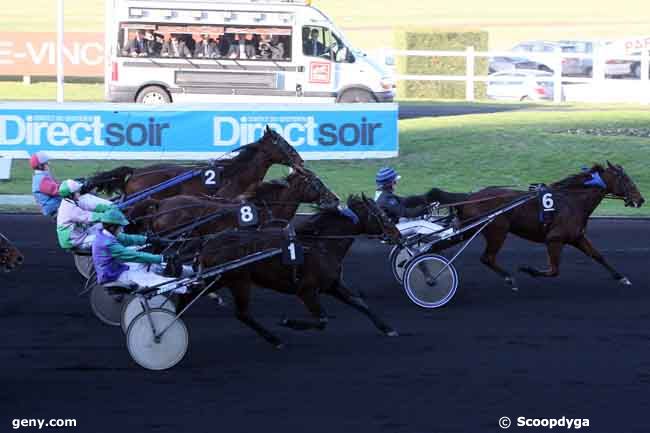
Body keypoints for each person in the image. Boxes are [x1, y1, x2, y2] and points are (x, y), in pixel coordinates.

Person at [91, 208, 184, 291]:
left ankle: (184, 272)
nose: (122, 229)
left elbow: (127, 238)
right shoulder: (107, 243)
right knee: (152, 279)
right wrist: (161, 258)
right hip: (113, 276)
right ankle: (184, 287)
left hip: (117, 268)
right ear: (112, 227)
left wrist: (147, 239)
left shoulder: (105, 234)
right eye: (121, 226)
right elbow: (133, 256)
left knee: (149, 265)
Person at [56, 179, 114, 250]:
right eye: (77, 192)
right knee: (108, 238)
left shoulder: (67, 202)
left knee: (101, 226)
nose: (79, 194)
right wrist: (107, 215)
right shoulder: (70, 208)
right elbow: (88, 217)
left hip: (78, 235)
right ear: (71, 195)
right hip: (74, 241)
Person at [31, 151, 62, 217]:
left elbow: (57, 185)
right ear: (40, 166)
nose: (49, 164)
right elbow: (58, 191)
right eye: (46, 163)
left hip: (53, 205)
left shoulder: (41, 176)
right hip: (52, 207)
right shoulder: (42, 179)